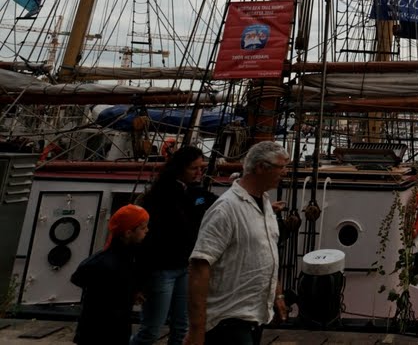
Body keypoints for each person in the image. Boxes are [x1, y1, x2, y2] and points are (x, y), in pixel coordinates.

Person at [186, 141, 289, 345]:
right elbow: (200, 265)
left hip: (255, 316)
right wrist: (197, 329)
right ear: (260, 167)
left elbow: (268, 252)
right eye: (282, 166)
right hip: (228, 319)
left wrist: (277, 295)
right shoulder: (226, 209)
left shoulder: (265, 203)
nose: (285, 172)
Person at [132, 145, 211, 345]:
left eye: (202, 168)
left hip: (184, 267)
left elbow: (220, 205)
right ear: (180, 168)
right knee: (151, 329)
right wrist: (139, 280)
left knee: (182, 327)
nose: (199, 172)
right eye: (195, 168)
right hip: (161, 270)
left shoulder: (194, 193)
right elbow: (146, 241)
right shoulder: (160, 196)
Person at [71, 204, 150, 344]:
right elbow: (79, 277)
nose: (147, 231)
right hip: (99, 330)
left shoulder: (127, 256)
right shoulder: (104, 262)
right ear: (128, 233)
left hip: (116, 327)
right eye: (143, 228)